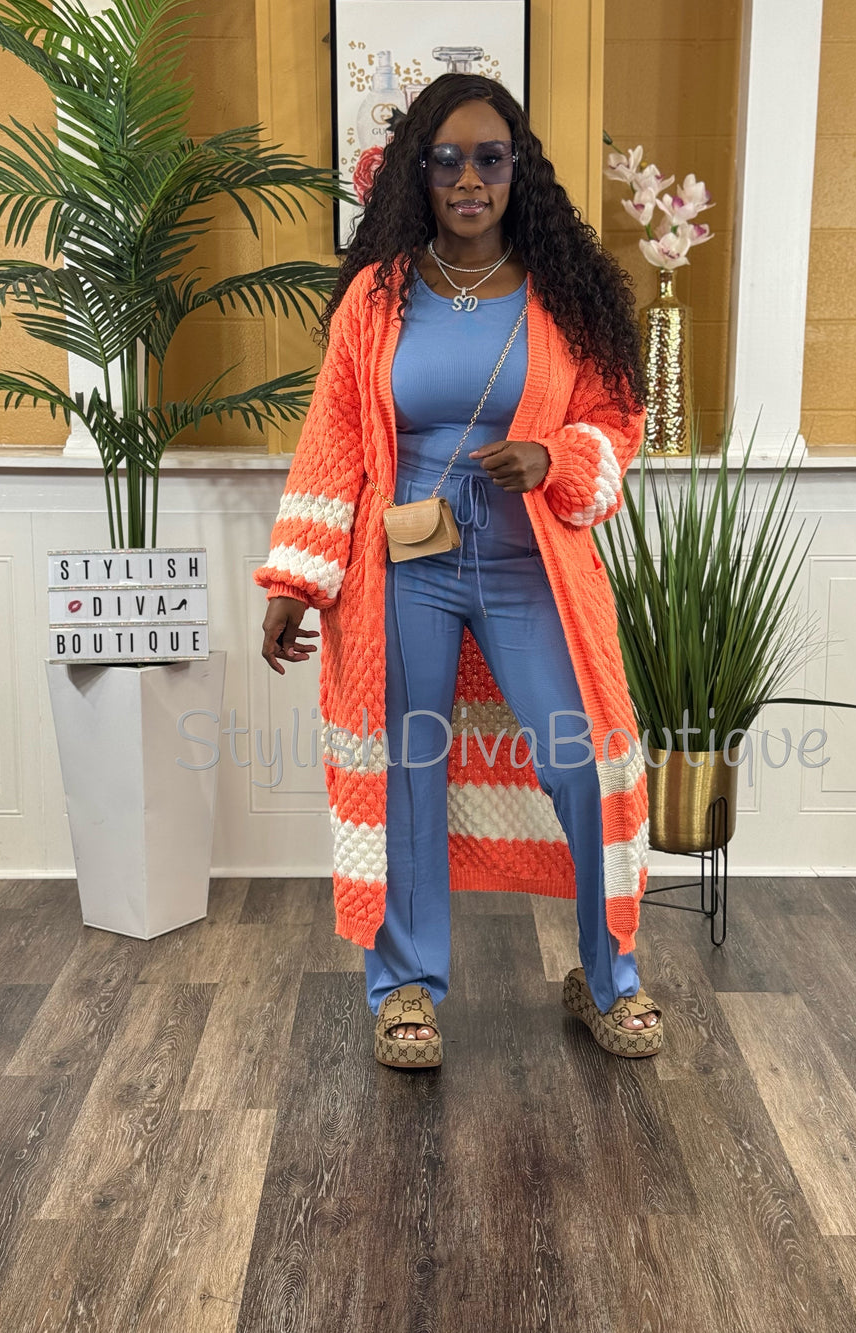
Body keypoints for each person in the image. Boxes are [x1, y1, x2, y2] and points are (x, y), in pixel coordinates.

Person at [253, 73, 662, 1069]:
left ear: (518, 171)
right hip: (404, 570)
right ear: (418, 173)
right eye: (447, 160)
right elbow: (333, 443)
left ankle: (607, 976)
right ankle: (404, 988)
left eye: (489, 158)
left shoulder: (563, 295)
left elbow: (617, 422)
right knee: (405, 768)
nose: (469, 179)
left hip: (533, 569)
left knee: (584, 760)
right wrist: (295, 582)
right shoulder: (376, 299)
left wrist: (554, 456)